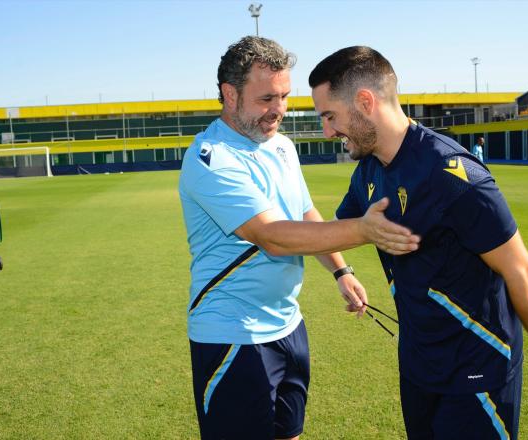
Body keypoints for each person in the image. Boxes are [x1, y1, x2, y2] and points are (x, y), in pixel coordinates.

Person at [309, 46, 528, 440]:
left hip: (476, 373)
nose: (327, 131)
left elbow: (520, 271)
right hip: (418, 368)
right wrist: (342, 271)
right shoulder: (368, 173)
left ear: (364, 102)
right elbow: (335, 231)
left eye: (330, 116)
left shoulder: (451, 173)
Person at [178, 37, 419, 440]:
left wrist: (342, 270)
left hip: (289, 326)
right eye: (266, 98)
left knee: (289, 433)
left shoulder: (283, 147)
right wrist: (364, 229)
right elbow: (272, 236)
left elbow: (305, 214)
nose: (279, 110)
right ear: (229, 94)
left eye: (285, 97)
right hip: (234, 335)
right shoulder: (211, 157)